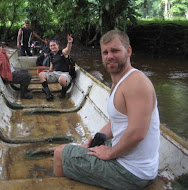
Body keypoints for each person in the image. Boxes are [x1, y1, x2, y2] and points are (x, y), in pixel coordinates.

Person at [53, 30, 160, 190]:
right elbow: (116, 122)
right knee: (86, 146)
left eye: (115, 50)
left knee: (60, 153)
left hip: (131, 172)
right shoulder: (120, 81)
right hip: (134, 164)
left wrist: (109, 153)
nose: (109, 56)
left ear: (128, 51)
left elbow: (137, 134)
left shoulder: (136, 83)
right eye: (105, 52)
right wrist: (95, 138)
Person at [38, 34, 73, 101]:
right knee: (41, 75)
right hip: (55, 73)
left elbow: (68, 50)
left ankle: (63, 93)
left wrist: (69, 42)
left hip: (64, 74)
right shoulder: (51, 56)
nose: (52, 47)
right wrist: (46, 72)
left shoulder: (62, 52)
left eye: (54, 45)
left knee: (61, 79)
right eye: (51, 46)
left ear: (58, 46)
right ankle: (49, 94)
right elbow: (51, 69)